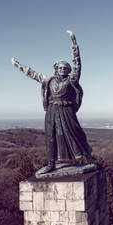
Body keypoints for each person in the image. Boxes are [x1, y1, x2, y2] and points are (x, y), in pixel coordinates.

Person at [12, 31, 93, 174]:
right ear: (56, 69)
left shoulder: (71, 79)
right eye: (60, 67)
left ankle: (88, 158)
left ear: (68, 70)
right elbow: (32, 73)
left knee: (75, 132)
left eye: (65, 68)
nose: (62, 69)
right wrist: (18, 65)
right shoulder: (48, 80)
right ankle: (51, 163)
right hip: (51, 111)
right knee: (51, 135)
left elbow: (77, 64)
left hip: (67, 110)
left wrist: (74, 44)